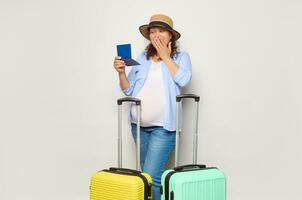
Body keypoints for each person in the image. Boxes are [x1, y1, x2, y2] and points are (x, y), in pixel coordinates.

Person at [113, 14, 192, 200]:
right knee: (144, 177)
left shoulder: (181, 57)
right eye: (153, 31)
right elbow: (128, 89)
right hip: (138, 127)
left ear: (170, 35)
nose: (156, 35)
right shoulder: (143, 58)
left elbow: (184, 80)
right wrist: (121, 73)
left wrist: (165, 56)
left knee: (151, 178)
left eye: (161, 31)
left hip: (163, 129)